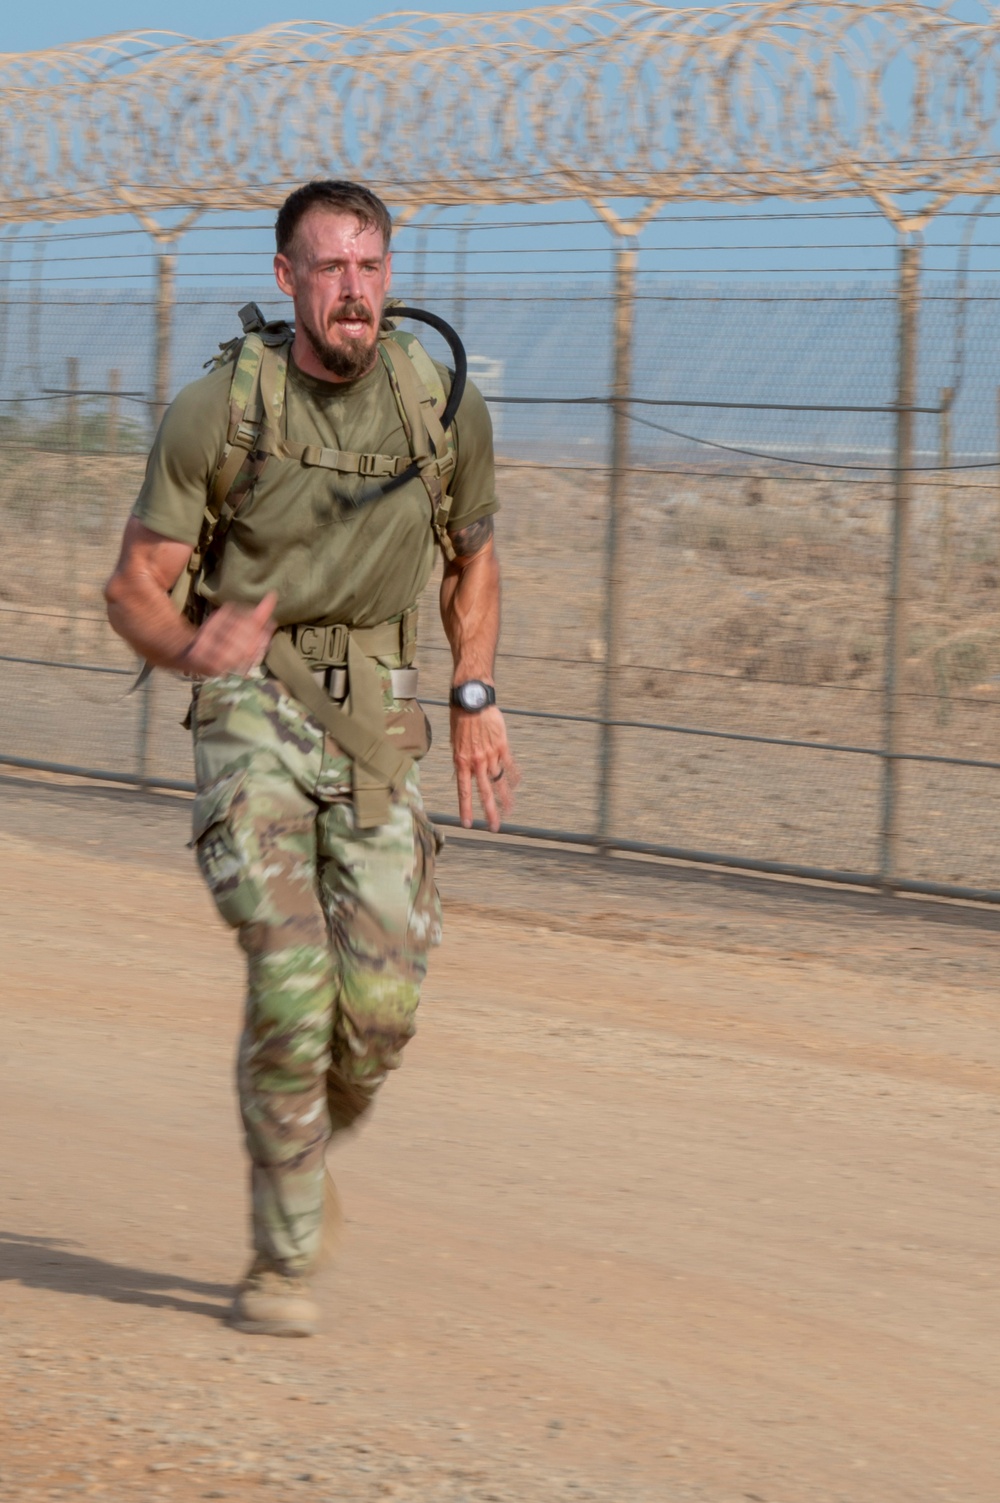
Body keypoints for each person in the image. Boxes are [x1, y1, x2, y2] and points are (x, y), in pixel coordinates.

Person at [104, 179, 519, 1337]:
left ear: (392, 274)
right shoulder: (219, 412)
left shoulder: (439, 407)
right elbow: (131, 586)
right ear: (285, 278)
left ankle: (296, 1114)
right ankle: (282, 1250)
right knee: (292, 984)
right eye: (330, 267)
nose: (354, 289)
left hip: (380, 710)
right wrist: (194, 644)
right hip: (251, 700)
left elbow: (471, 560)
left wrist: (474, 690)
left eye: (371, 266)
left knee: (376, 1013)